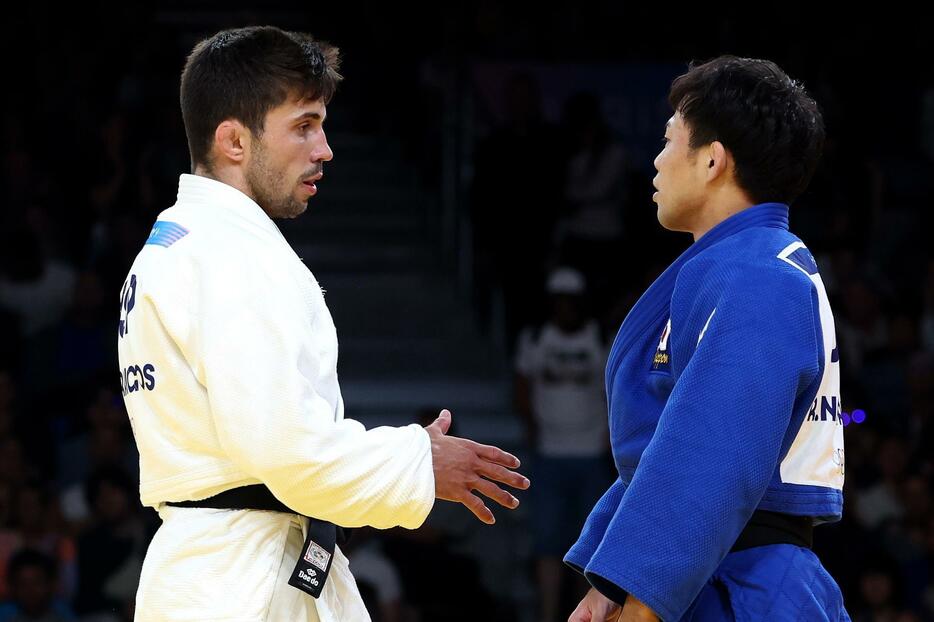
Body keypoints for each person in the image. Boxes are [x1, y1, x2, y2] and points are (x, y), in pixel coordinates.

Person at [116, 26, 528, 622]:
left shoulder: (179, 243)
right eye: (304, 125)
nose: (325, 148)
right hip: (242, 585)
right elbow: (288, 451)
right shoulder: (233, 256)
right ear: (234, 140)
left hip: (219, 568)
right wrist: (418, 461)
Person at [566, 56, 850, 621]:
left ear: (713, 160)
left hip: (743, 583)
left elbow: (711, 453)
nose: (656, 160)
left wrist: (642, 594)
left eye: (669, 140)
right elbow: (666, 445)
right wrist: (612, 579)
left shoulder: (762, 277)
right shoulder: (739, 266)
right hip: (708, 569)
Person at [513, 267, 611, 621]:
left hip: (591, 454)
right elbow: (521, 384)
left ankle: (582, 614)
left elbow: (615, 387)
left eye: (572, 300)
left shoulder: (599, 336)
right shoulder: (536, 336)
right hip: (550, 453)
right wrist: (530, 426)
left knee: (590, 543)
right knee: (548, 542)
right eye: (559, 300)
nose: (565, 307)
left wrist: (609, 436)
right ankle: (549, 613)